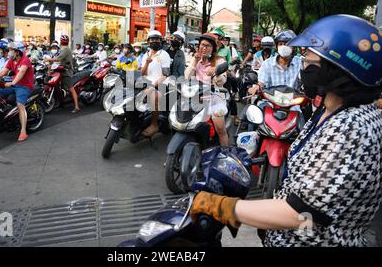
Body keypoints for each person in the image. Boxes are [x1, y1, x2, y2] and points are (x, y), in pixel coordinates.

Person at [189, 14, 382, 247]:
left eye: (310, 57)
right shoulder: (328, 109)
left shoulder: (352, 128)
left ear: (336, 68)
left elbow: (301, 213)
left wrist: (224, 207)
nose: (304, 64)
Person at [185, 33, 229, 147]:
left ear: (213, 48)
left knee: (220, 129)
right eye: (202, 45)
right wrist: (194, 61)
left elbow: (222, 81)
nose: (204, 48)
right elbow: (186, 78)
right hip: (196, 97)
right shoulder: (195, 60)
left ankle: (226, 153)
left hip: (215, 98)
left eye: (208, 45)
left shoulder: (219, 61)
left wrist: (215, 72)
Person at [0, 42, 35, 142]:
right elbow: (3, 71)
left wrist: (12, 83)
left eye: (11, 50)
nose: (9, 52)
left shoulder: (25, 60)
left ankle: (23, 131)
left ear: (17, 52)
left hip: (24, 87)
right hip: (14, 84)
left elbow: (21, 73)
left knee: (20, 105)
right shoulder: (11, 60)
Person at [140, 30, 172, 137]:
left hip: (161, 84)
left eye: (157, 39)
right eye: (152, 39)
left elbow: (165, 75)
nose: (154, 41)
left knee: (155, 96)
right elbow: (142, 72)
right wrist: (147, 63)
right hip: (146, 82)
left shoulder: (164, 54)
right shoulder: (146, 55)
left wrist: (152, 86)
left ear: (160, 41)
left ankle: (154, 124)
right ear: (148, 41)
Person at [44, 35, 81, 114]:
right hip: (60, 70)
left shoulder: (66, 49)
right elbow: (57, 59)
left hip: (66, 71)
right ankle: (61, 102)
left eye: (64, 40)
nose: (63, 41)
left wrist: (48, 59)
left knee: (71, 89)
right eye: (62, 40)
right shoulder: (62, 49)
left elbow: (58, 59)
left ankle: (77, 107)